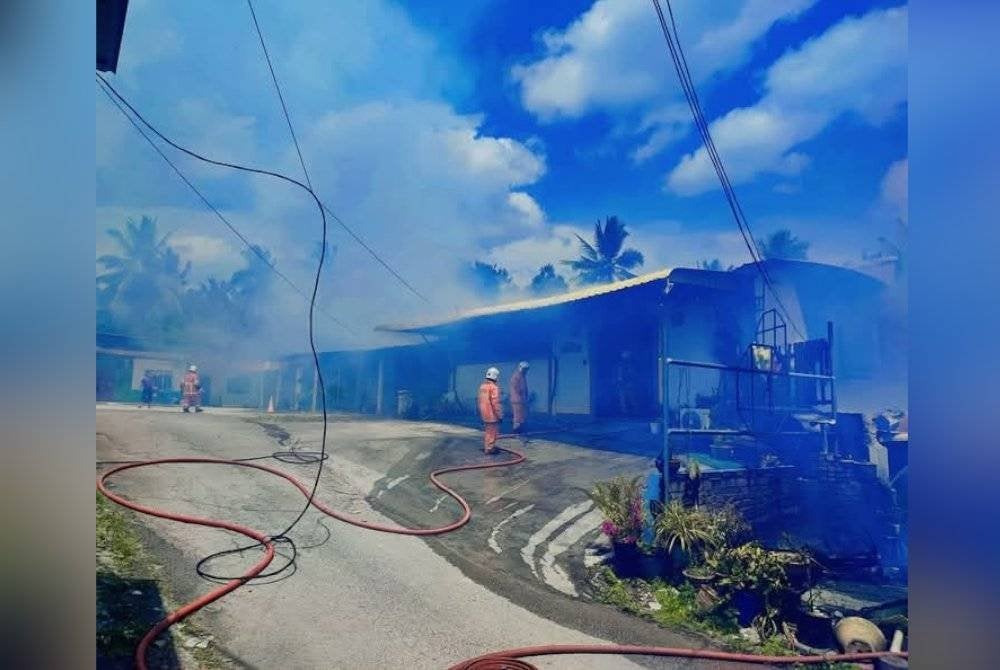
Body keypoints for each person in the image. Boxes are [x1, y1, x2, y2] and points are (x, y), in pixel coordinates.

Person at [477, 366, 503, 454]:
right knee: (493, 432)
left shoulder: (482, 386)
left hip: (484, 413)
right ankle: (490, 448)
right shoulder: (494, 387)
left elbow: (480, 400)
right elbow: (495, 403)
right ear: (495, 376)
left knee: (488, 431)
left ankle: (487, 447)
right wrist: (499, 415)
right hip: (492, 414)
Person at [509, 361, 530, 434]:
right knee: (518, 415)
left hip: (521, 400)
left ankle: (519, 429)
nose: (526, 371)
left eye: (527, 369)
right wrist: (522, 393)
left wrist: (526, 395)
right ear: (521, 368)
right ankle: (516, 430)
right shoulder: (516, 376)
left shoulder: (522, 376)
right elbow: (517, 388)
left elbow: (525, 387)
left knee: (521, 415)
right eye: (525, 369)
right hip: (517, 400)